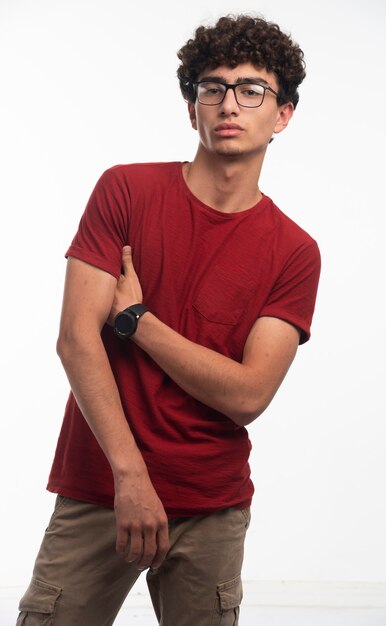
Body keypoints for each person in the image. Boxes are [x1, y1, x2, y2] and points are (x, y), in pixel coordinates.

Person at [17, 14, 320, 626]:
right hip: (101, 483)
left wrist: (138, 320)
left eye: (251, 89)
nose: (228, 103)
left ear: (283, 114)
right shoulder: (125, 191)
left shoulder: (293, 250)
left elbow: (248, 394)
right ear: (192, 109)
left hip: (210, 503)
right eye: (212, 88)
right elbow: (76, 341)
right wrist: (130, 477)